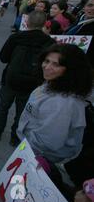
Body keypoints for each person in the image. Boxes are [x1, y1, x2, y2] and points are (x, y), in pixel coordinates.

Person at [17, 44, 92, 194]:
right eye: (46, 61)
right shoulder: (55, 84)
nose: (47, 67)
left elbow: (48, 142)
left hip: (38, 157)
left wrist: (25, 152)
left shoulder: (62, 103)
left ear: (70, 69)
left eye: (56, 64)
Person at [0, 11, 55, 146]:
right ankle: (15, 137)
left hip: (11, 79)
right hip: (33, 83)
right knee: (22, 112)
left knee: (3, 106)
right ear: (44, 24)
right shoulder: (49, 42)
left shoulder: (16, 37)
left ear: (27, 22)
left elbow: (3, 58)